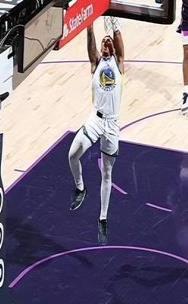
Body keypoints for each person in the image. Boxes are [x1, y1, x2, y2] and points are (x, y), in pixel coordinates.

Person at [68, 18, 124, 245]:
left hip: (112, 124)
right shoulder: (96, 63)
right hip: (96, 120)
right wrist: (90, 24)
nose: (106, 42)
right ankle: (80, 188)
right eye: (103, 42)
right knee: (72, 154)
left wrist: (114, 25)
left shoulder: (119, 64)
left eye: (109, 41)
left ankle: (102, 219)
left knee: (107, 173)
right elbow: (91, 43)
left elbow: (119, 43)